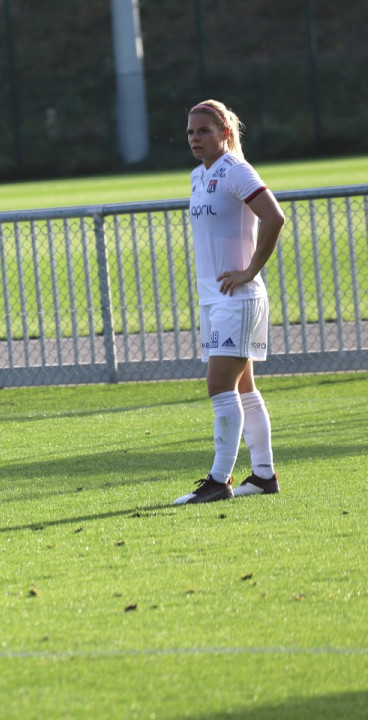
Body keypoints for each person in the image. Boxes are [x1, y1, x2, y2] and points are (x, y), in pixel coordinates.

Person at [173, 100, 285, 505]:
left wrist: (250, 270)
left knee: (219, 385)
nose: (194, 138)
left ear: (225, 132)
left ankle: (220, 480)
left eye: (203, 131)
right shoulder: (197, 176)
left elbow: (274, 218)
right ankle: (264, 475)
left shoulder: (237, 170)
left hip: (238, 299)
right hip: (216, 299)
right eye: (190, 132)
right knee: (243, 387)